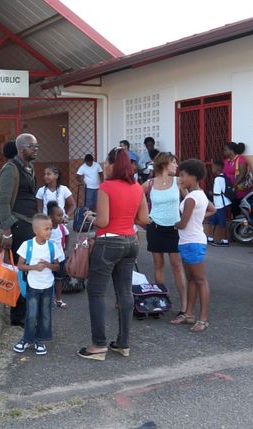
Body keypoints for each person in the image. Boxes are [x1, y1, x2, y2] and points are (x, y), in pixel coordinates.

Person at [77, 148, 149, 361]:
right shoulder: (137, 187)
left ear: (113, 165)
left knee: (97, 292)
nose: (104, 166)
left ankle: (99, 345)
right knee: (124, 292)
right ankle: (123, 343)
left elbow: (103, 222)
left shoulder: (106, 187)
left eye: (106, 162)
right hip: (130, 241)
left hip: (108, 241)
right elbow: (143, 218)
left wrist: (91, 216)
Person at [0, 133, 39, 327]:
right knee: (19, 270)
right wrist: (7, 231)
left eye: (36, 146)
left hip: (30, 224)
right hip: (18, 225)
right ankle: (18, 315)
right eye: (32, 146)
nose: (36, 149)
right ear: (22, 148)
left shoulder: (29, 168)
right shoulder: (10, 169)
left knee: (27, 269)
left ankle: (25, 310)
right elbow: (4, 202)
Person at [171, 159, 216, 332]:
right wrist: (198, 218)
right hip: (190, 241)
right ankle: (189, 314)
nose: (180, 178)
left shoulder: (191, 198)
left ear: (194, 176)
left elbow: (182, 224)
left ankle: (203, 319)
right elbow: (213, 210)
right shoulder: (200, 194)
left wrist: (173, 224)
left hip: (192, 242)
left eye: (183, 175)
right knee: (192, 279)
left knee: (200, 280)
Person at [142, 152, 188, 316]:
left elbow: (190, 202)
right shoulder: (149, 183)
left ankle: (184, 306)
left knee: (177, 265)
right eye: (173, 163)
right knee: (158, 264)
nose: (176, 166)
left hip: (174, 228)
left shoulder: (178, 182)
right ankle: (160, 301)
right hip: (155, 227)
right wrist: (143, 217)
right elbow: (136, 198)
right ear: (163, 164)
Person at [13, 213, 62, 356]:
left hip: (47, 287)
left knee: (45, 314)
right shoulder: (27, 245)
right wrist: (33, 267)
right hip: (32, 286)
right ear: (35, 231)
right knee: (31, 314)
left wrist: (48, 265)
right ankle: (27, 339)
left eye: (50, 228)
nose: (49, 231)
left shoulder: (52, 247)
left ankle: (40, 340)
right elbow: (20, 265)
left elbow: (58, 267)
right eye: (45, 229)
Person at [47, 201, 70, 308]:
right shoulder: (47, 229)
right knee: (47, 279)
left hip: (60, 258)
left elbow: (67, 235)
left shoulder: (61, 227)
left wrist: (65, 249)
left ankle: (59, 300)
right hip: (48, 258)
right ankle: (47, 300)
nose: (61, 217)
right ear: (50, 216)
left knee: (59, 279)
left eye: (62, 215)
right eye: (59, 215)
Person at [205, 160, 231, 247]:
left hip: (220, 204)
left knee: (222, 222)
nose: (212, 169)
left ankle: (225, 240)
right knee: (213, 220)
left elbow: (216, 192)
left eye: (212, 167)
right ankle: (210, 238)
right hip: (220, 204)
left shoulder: (217, 179)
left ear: (217, 168)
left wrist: (210, 193)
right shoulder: (224, 177)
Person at [222, 142, 250, 214]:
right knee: (232, 209)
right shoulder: (226, 161)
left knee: (237, 209)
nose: (224, 152)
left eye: (225, 150)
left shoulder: (240, 159)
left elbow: (242, 173)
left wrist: (234, 185)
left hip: (239, 189)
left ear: (231, 150)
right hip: (230, 190)